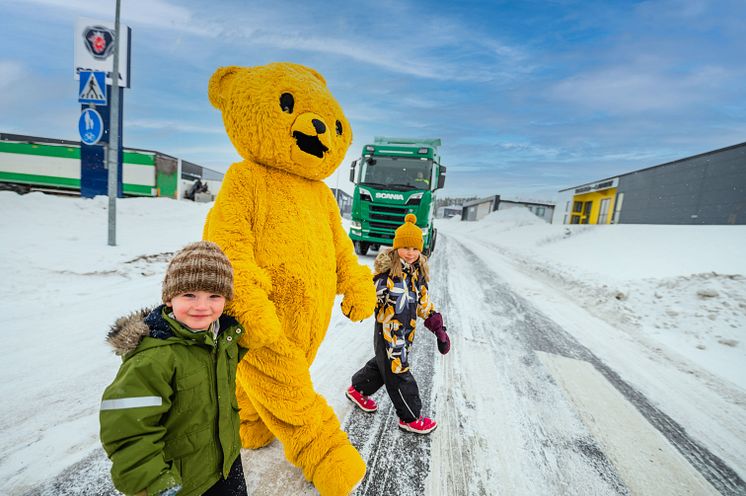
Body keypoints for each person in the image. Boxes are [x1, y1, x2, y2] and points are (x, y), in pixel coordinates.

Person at [100, 241, 247, 496]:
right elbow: (130, 432)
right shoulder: (153, 358)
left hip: (227, 463)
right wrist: (156, 485)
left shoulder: (224, 338)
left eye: (214, 296)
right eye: (189, 295)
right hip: (184, 482)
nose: (202, 306)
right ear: (169, 297)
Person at [346, 214, 450, 434]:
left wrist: (438, 328)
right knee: (398, 373)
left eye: (415, 248)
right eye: (405, 247)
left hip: (405, 333)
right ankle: (410, 418)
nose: (410, 253)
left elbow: (423, 303)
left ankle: (357, 389)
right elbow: (369, 297)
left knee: (381, 365)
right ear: (396, 248)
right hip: (388, 333)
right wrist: (357, 306)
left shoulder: (416, 275)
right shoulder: (386, 276)